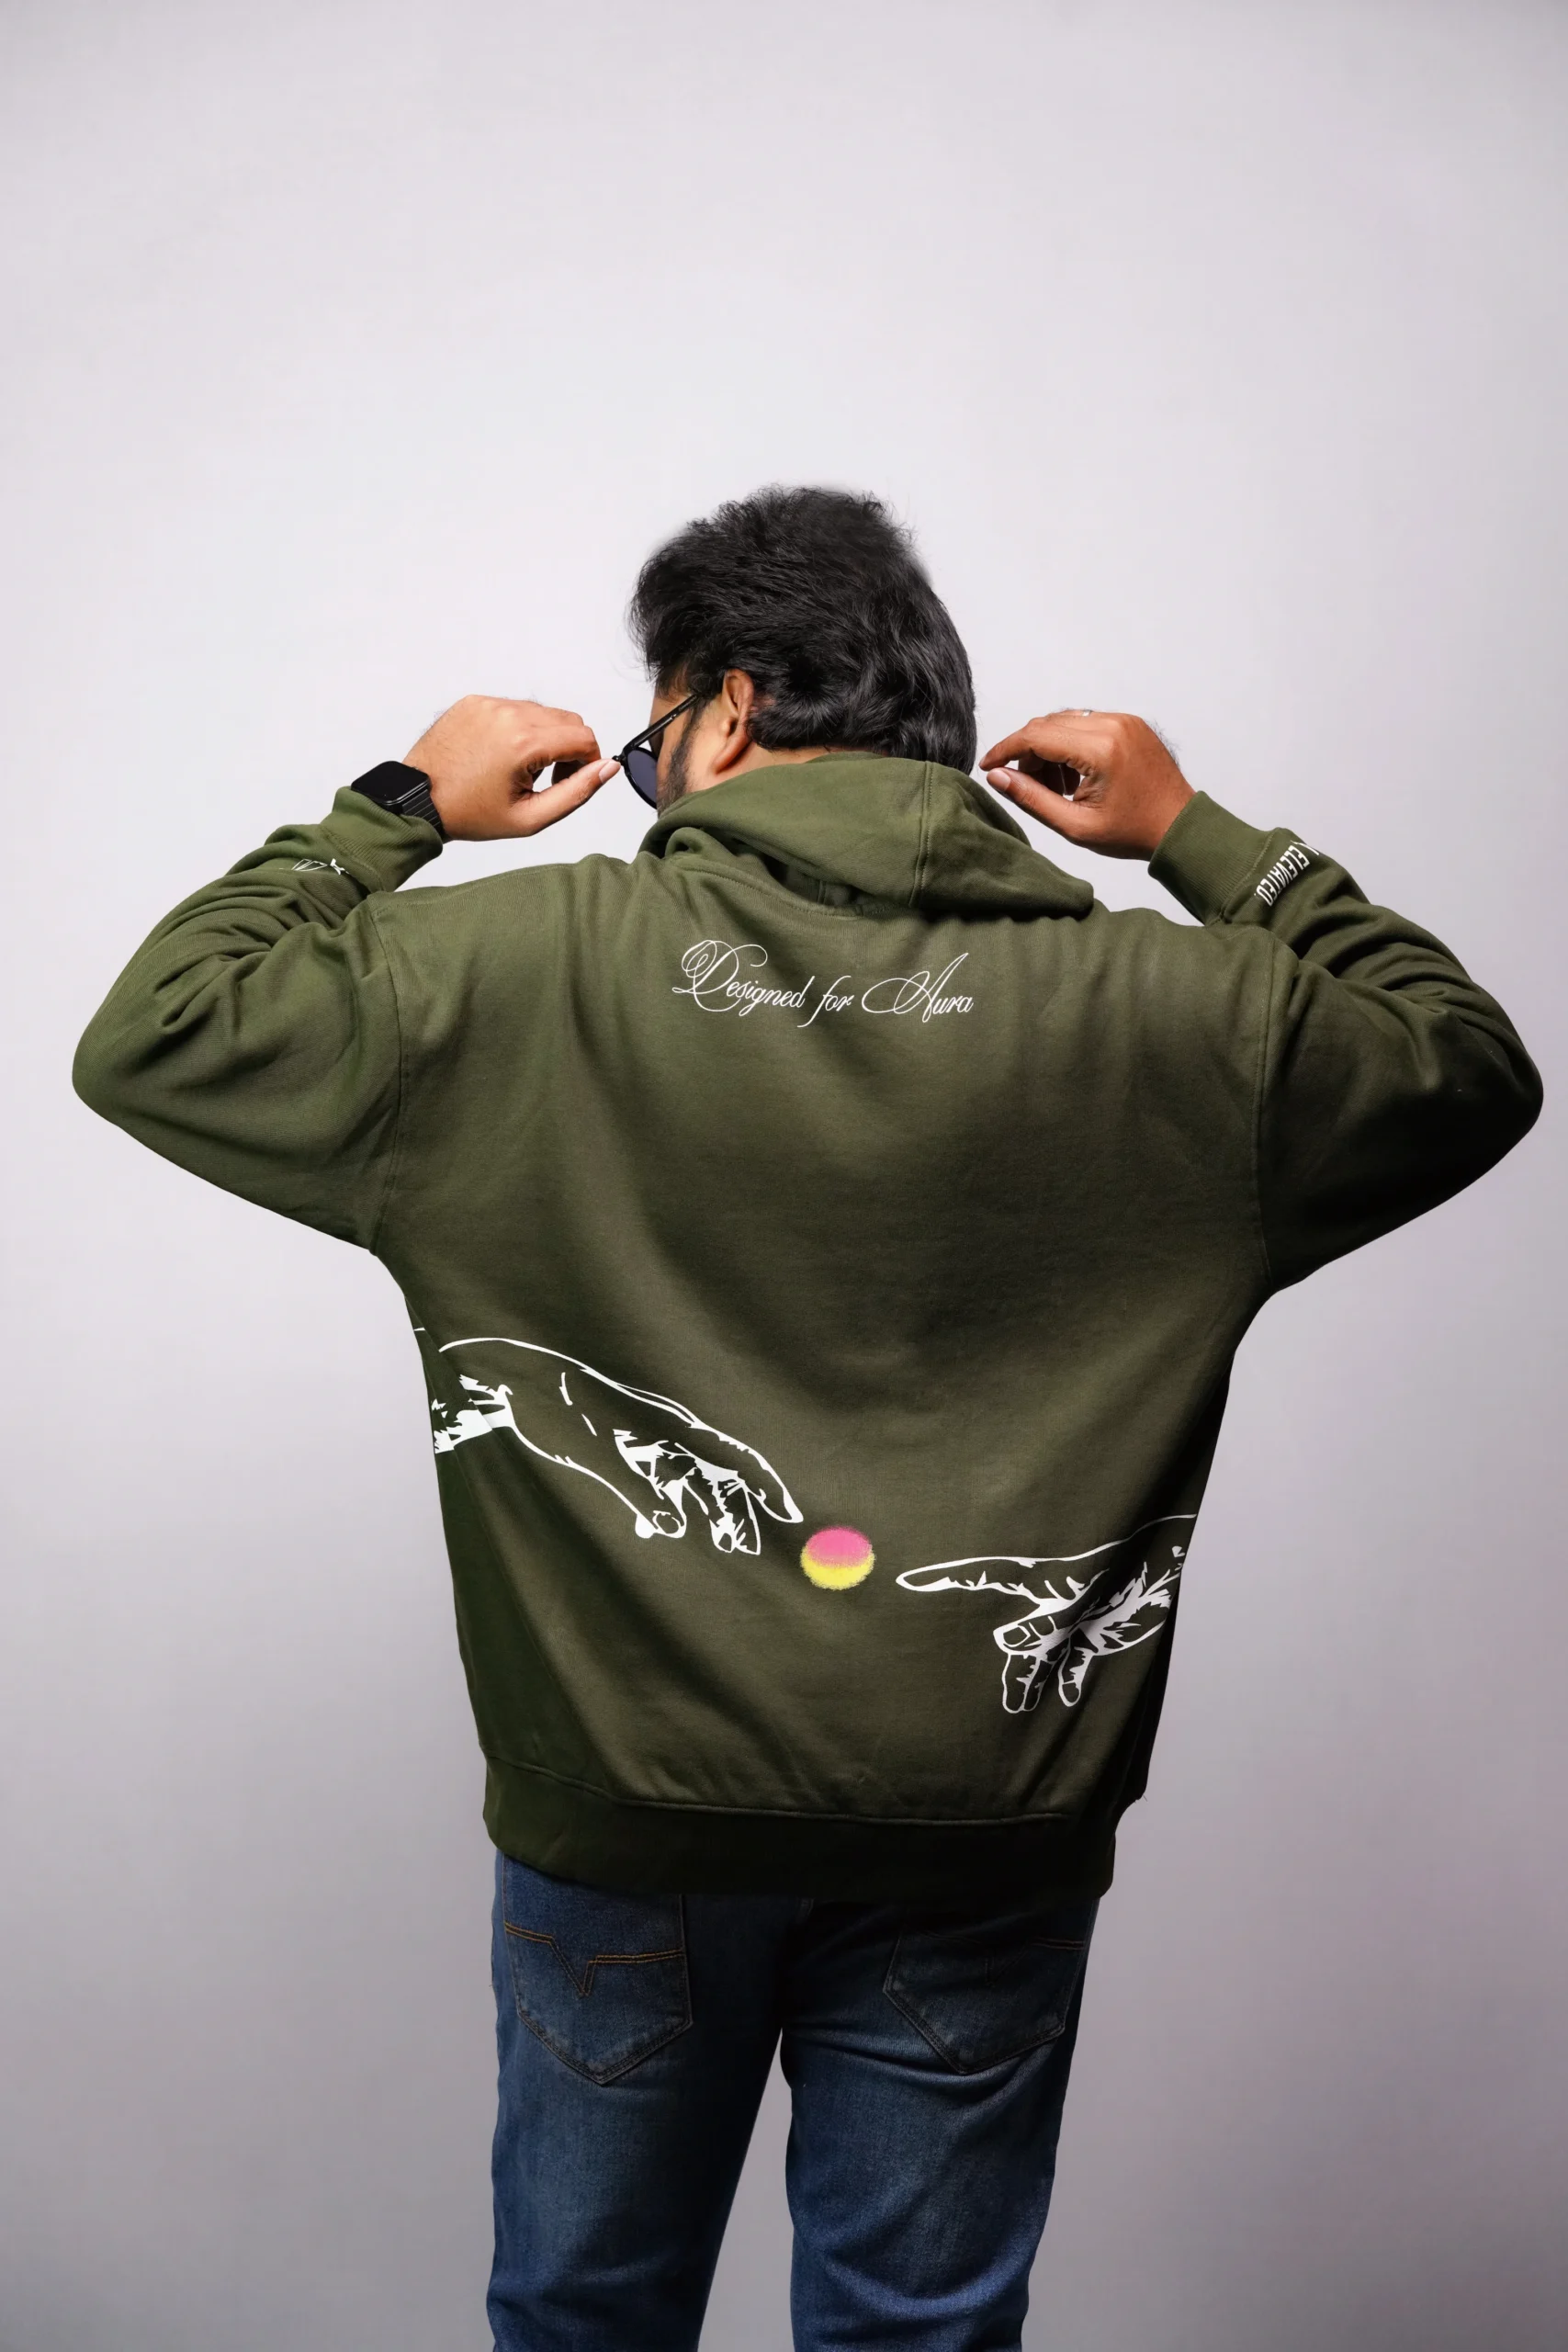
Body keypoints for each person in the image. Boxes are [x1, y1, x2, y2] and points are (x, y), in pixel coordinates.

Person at [73, 485, 1540, 2352]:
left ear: (732, 705)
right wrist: (1201, 838)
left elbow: (159, 1030)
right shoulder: (1187, 1017)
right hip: (982, 1831)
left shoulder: (507, 977)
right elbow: (1463, 1061)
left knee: (587, 2321)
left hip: (624, 1820)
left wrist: (399, 804)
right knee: (917, 2334)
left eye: (652, 734)